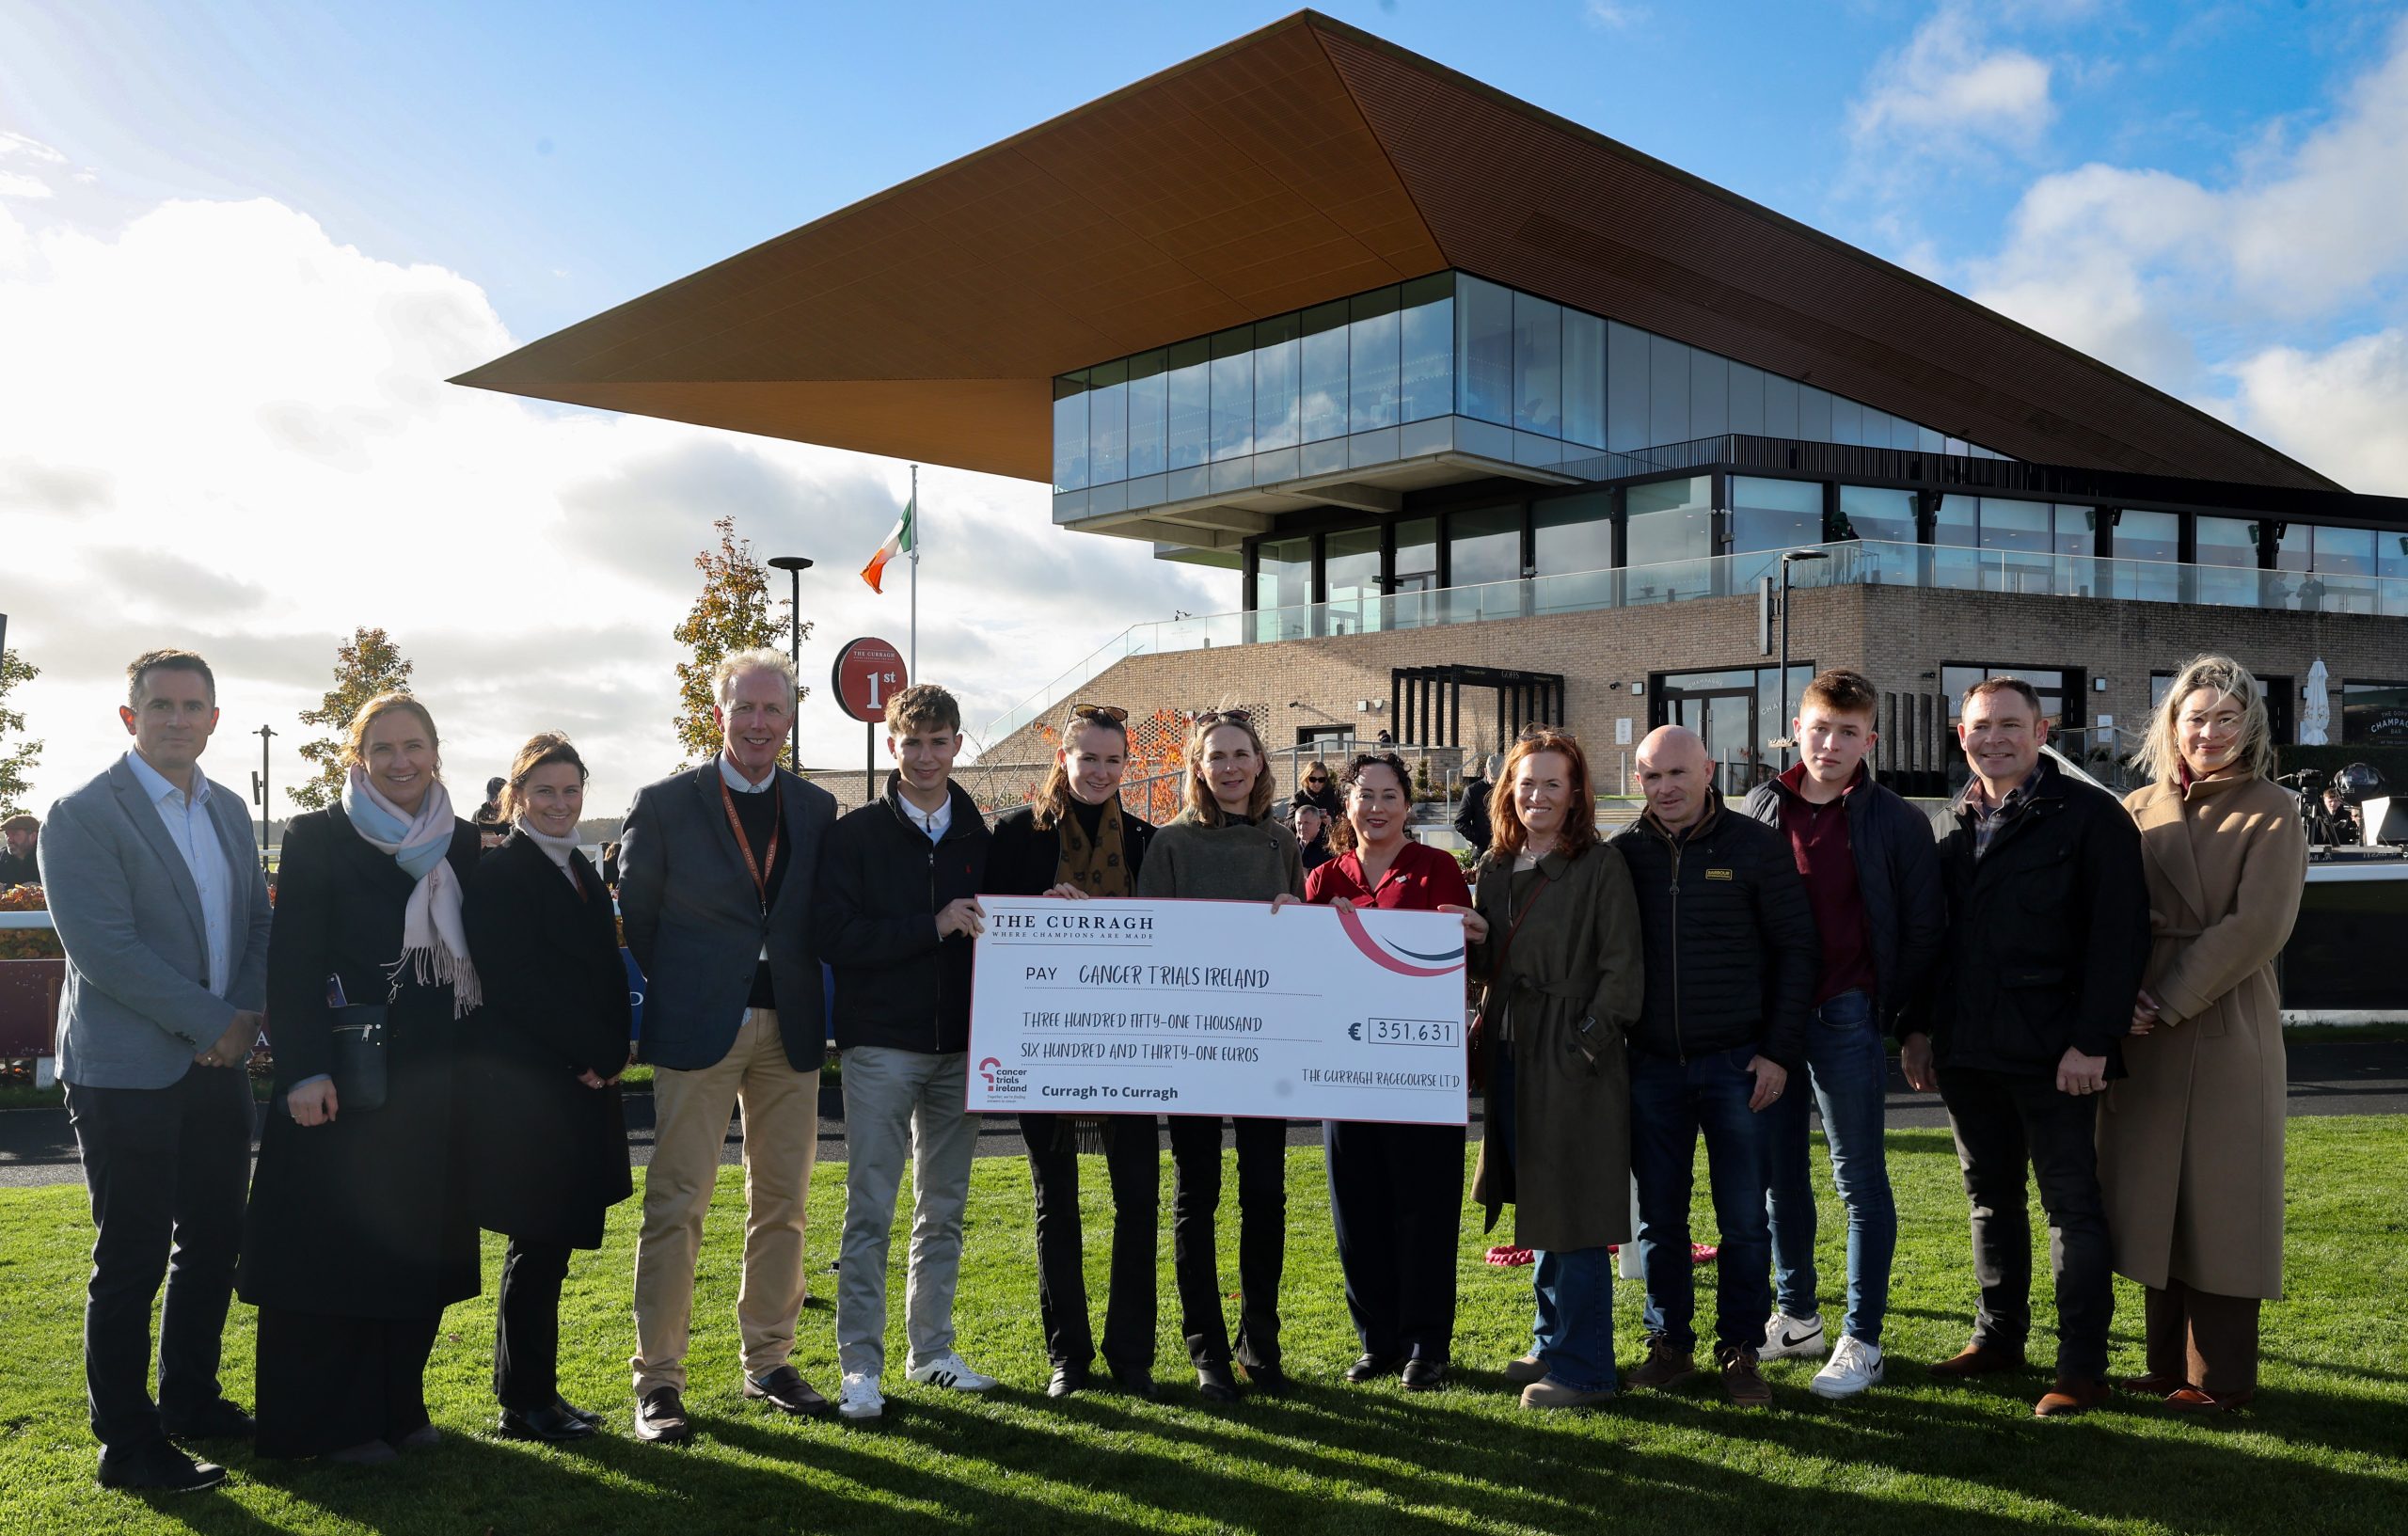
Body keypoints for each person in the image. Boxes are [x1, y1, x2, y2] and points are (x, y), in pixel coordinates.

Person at [40, 651, 270, 1492]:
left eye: (193, 705)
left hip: (219, 1066)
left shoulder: (230, 810)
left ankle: (190, 1401)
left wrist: (241, 1018)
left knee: (214, 1239)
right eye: (161, 705)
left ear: (214, 718)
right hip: (124, 1072)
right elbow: (106, 950)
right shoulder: (82, 813)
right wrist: (215, 1024)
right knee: (132, 1257)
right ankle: (128, 1445)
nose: (178, 718)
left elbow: (256, 923)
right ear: (129, 716)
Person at [238, 691, 483, 1463]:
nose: (400, 761)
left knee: (412, 1248)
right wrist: (303, 1068)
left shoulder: (462, 839)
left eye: (414, 746)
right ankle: (331, 1424)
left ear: (435, 752)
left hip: (431, 1081)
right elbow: (293, 960)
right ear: (359, 757)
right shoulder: (317, 834)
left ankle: (398, 1405)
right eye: (383, 748)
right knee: (333, 1253)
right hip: (342, 1080)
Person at [1901, 675, 2149, 1418]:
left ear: (2042, 732)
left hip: (2057, 1055)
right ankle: (1998, 1338)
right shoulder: (1948, 824)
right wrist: (1918, 1028)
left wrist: (2091, 1041)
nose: (1995, 738)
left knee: (2070, 1207)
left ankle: (2082, 1368)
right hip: (1967, 1049)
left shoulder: (2092, 817)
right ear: (1961, 735)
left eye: (2011, 724)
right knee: (1989, 1201)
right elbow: (1932, 942)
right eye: (1980, 726)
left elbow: (2119, 937)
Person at [619, 649, 837, 1442]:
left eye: (773, 709)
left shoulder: (815, 806)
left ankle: (770, 1360)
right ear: (720, 714)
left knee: (783, 1202)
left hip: (791, 1027)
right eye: (744, 707)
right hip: (698, 1026)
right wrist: (694, 985)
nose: (758, 723)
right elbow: (638, 914)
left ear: (790, 719)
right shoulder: (664, 802)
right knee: (677, 1203)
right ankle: (659, 1380)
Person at [2103, 657, 2306, 1412]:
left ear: (2250, 725)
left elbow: (2258, 926)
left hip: (2222, 1016)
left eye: (2227, 717)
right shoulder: (2137, 806)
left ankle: (2220, 1378)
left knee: (2221, 1200)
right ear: (2173, 724)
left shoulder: (2274, 809)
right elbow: (2107, 911)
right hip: (2142, 1023)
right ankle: (2166, 1366)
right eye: (2196, 717)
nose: (2210, 732)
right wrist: (2117, 998)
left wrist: (2166, 996)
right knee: (2157, 1199)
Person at [1740, 669, 1941, 1398]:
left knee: (1858, 1181)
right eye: (1820, 728)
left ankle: (1864, 1337)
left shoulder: (1899, 820)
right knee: (1779, 1179)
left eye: (1848, 732)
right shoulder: (1761, 803)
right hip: (1771, 1023)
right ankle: (1797, 1316)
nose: (1830, 744)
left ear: (1870, 740)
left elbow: (1923, 930)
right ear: (1797, 729)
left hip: (1846, 1017)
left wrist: (1912, 1024)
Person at [1610, 726, 1816, 1410]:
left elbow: (1796, 951)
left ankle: (1741, 1350)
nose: (1665, 787)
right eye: (1651, 775)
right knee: (1659, 1221)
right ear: (1637, 780)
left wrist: (1778, 1052)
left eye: (1677, 772)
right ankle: (1669, 1346)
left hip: (1738, 1065)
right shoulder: (1623, 855)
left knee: (1745, 1222)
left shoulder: (1756, 846)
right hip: (1651, 1068)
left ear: (1708, 770)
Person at [816, 683, 998, 1422]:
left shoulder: (982, 837)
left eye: (938, 741)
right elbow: (836, 936)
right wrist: (933, 924)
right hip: (881, 1046)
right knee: (870, 1212)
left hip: (961, 1047)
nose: (925, 755)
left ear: (957, 744)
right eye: (912, 742)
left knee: (943, 1211)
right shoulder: (854, 835)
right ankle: (860, 1366)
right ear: (891, 745)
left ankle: (933, 1352)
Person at [1448, 728, 1640, 1409]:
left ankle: (1586, 1369)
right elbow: (1497, 965)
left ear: (1576, 792)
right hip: (1511, 1051)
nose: (1538, 795)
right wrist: (1472, 941)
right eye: (1526, 782)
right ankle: (1552, 1341)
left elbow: (1623, 973)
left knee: (1574, 1208)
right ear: (1508, 789)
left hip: (1571, 1058)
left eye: (1553, 783)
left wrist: (1582, 1045)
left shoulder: (1601, 865)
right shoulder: (1498, 864)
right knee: (1539, 1199)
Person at [988, 703, 1162, 1401]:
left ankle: (1131, 1356)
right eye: (1088, 757)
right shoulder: (1015, 836)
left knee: (1138, 1203)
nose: (1100, 771)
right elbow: (991, 928)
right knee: (1054, 1205)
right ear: (1063, 758)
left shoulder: (1148, 841)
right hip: (1042, 1045)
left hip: (1133, 1049)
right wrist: (1038, 906)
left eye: (1113, 760)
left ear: (1127, 764)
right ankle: (1069, 1356)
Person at [462, 733, 633, 1442]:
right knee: (536, 1244)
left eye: (571, 790)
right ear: (516, 797)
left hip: (579, 1079)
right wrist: (585, 1054)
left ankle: (537, 1393)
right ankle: (523, 1402)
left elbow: (602, 969)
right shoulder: (504, 873)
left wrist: (611, 1051)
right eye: (544, 791)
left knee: (551, 1246)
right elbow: (515, 985)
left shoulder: (579, 867)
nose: (560, 803)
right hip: (538, 1084)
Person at [1136, 708, 1306, 1402]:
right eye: (1217, 756)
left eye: (1241, 754)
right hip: (1194, 1045)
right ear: (1198, 767)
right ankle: (1206, 1348)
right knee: (1196, 1194)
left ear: (1260, 762)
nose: (1231, 767)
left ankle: (1259, 1341)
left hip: (1266, 1044)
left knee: (1265, 1192)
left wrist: (1300, 918)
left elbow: (1301, 945)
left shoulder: (1281, 842)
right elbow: (1151, 941)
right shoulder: (1171, 843)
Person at [1308, 751, 1476, 1392]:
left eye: (1388, 795)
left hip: (1420, 1071)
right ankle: (1377, 1342)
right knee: (1358, 1211)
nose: (1376, 807)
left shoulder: (1437, 869)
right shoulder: (1324, 878)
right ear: (1346, 805)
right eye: (1364, 795)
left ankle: (1426, 1345)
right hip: (1345, 1070)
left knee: (1424, 1209)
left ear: (1407, 804)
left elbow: (1458, 957)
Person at [1453, 755, 1496, 855]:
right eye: (1493, 778)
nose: (1496, 783)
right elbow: (1460, 823)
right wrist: (1480, 839)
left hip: (1506, 851)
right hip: (1482, 851)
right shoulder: (1472, 791)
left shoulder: (1508, 789)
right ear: (1486, 772)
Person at [1294, 759, 1343, 823]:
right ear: (1306, 779)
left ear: (1325, 780)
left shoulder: (1334, 795)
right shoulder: (1298, 797)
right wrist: (1303, 821)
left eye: (1321, 780)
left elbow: (1344, 818)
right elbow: (1288, 822)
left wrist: (1332, 821)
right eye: (1312, 779)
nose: (1316, 784)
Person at [0, 812, 40, 885]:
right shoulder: (2, 858)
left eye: (15, 834)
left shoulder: (48, 859)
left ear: (33, 836)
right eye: (7, 834)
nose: (9, 839)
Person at [1293, 802, 1333, 873]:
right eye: (1299, 823)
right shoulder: (1290, 844)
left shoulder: (1328, 847)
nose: (1302, 827)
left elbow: (1330, 875)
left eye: (1306, 823)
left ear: (1318, 823)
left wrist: (1307, 872)